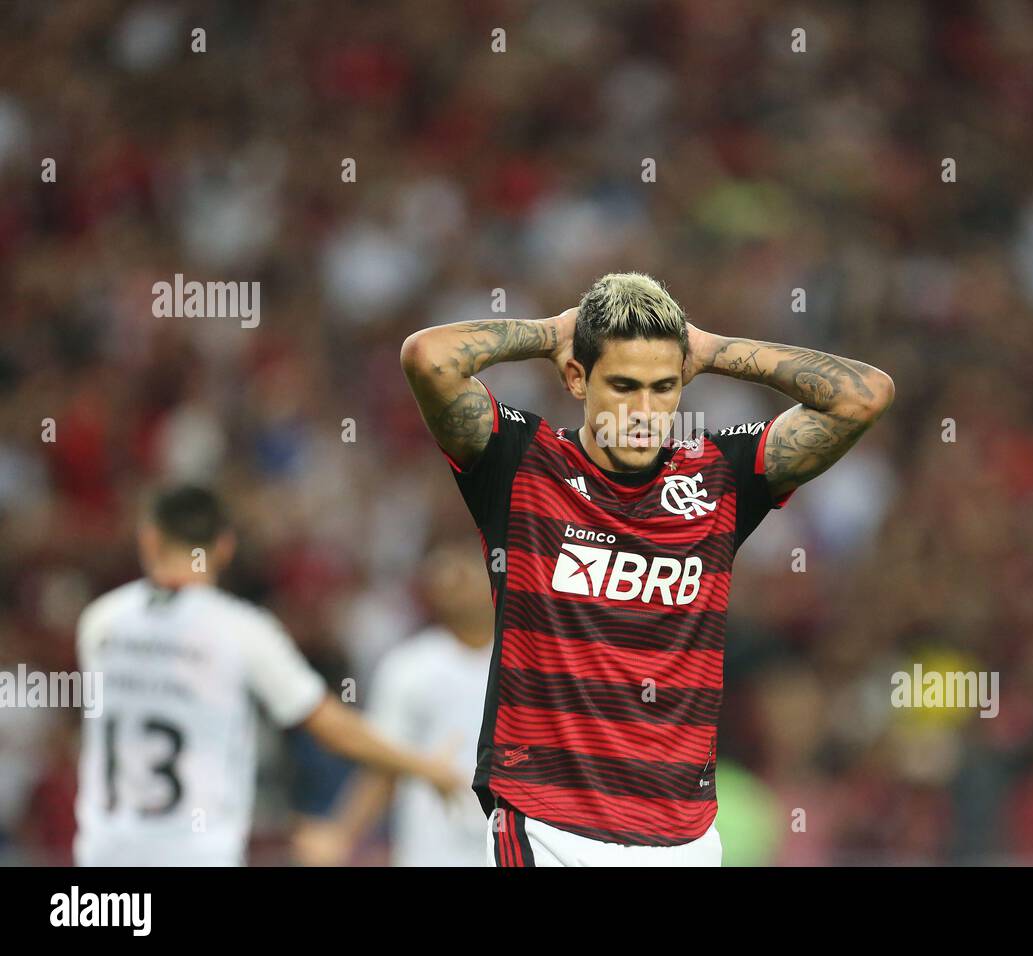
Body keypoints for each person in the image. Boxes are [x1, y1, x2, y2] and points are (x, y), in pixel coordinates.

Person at [399, 271, 894, 866]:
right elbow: (429, 358)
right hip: (549, 826)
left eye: (664, 387)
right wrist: (554, 331)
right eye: (624, 384)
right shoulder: (522, 461)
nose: (644, 410)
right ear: (577, 377)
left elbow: (863, 394)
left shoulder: (719, 475)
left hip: (683, 840)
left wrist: (709, 350)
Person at [73, 484, 464, 866]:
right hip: (197, 852)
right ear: (225, 546)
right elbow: (330, 726)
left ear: (149, 539)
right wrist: (425, 767)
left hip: (105, 852)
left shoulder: (100, 621)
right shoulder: (240, 629)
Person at [293, 539, 494, 866]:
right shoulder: (408, 666)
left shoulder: (530, 660)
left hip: (518, 846)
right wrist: (341, 834)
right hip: (433, 850)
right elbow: (383, 763)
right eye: (442, 577)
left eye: (465, 573)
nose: (454, 584)